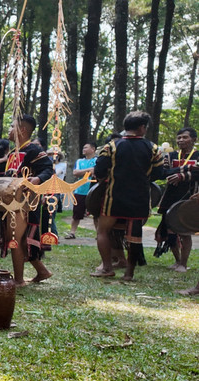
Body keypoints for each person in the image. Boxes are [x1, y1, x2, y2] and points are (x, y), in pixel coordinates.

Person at [91, 111, 165, 281]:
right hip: (139, 198)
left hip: (114, 197)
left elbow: (99, 170)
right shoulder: (153, 148)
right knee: (134, 237)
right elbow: (158, 174)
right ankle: (129, 273)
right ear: (141, 128)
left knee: (103, 231)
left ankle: (107, 268)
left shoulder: (111, 146)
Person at [4, 114, 54, 286]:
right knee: (21, 239)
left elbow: (48, 169)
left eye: (12, 126)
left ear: (22, 130)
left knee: (15, 238)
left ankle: (18, 280)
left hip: (25, 202)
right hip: (13, 200)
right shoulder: (13, 152)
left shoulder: (33, 149)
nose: (9, 130)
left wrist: (38, 179)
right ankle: (42, 271)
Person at [155, 127, 197, 272]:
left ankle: (184, 264)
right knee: (170, 228)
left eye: (185, 137)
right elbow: (162, 173)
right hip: (170, 196)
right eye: (179, 138)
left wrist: (183, 176)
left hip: (189, 196)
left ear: (193, 140)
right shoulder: (170, 156)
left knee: (185, 230)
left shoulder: (197, 155)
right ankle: (177, 260)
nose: (181, 140)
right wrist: (185, 170)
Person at [66, 141, 98, 239]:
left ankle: (99, 234)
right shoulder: (79, 161)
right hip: (80, 190)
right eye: (83, 147)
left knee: (96, 214)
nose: (83, 149)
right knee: (77, 213)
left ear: (93, 149)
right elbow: (75, 173)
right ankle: (72, 232)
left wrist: (83, 171)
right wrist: (89, 170)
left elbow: (96, 170)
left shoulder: (98, 160)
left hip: (94, 190)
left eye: (86, 147)